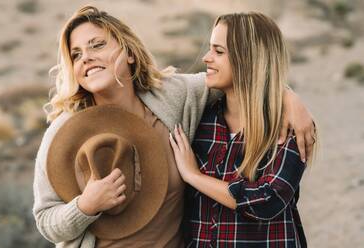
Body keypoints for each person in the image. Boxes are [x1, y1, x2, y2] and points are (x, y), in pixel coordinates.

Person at [33, 6, 315, 248]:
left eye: (97, 45)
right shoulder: (64, 132)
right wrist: (85, 206)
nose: (86, 58)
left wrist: (288, 98)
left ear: (129, 52)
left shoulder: (174, 97)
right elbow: (46, 219)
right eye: (76, 54)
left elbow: (246, 75)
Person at [169, 12, 317, 247]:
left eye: (219, 52)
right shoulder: (200, 119)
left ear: (248, 59)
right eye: (210, 49)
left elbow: (269, 200)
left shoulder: (287, 124)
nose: (207, 58)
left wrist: (194, 176)